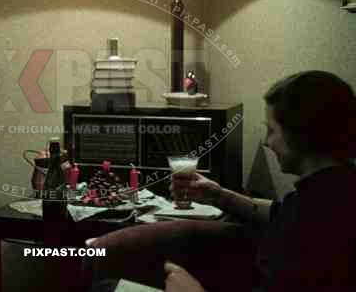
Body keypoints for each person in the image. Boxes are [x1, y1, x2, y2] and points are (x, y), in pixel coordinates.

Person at [89, 71, 356, 292]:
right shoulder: (330, 187)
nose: (265, 141)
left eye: (271, 130)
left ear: (300, 135)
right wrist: (219, 195)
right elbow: (278, 211)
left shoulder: (321, 222)